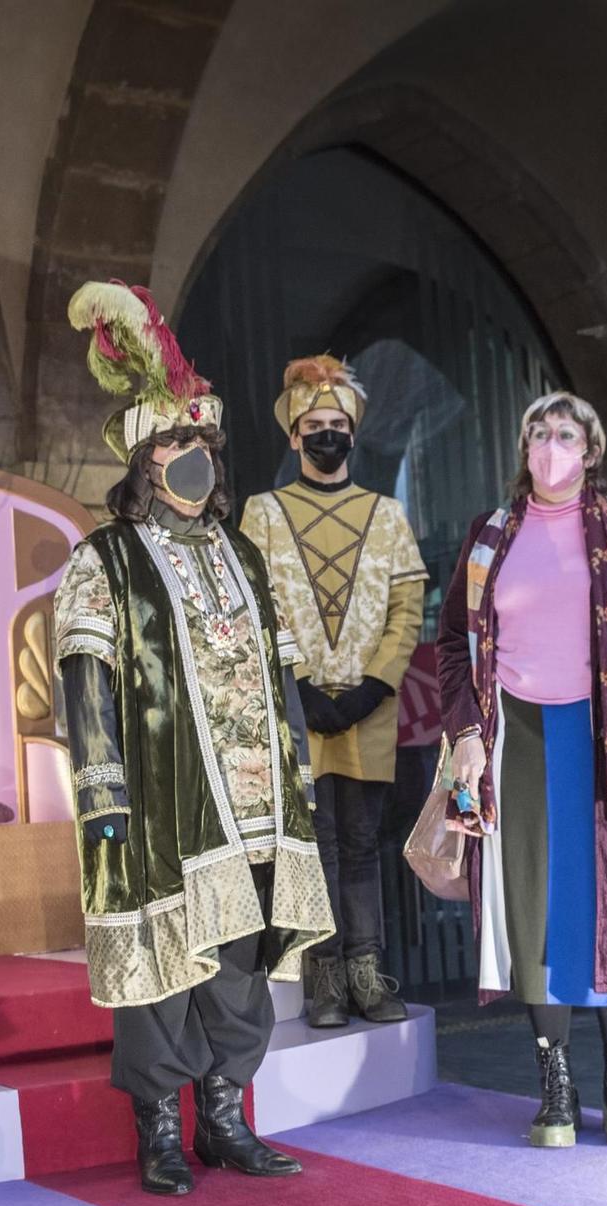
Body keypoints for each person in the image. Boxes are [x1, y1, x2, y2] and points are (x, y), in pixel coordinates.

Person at [54, 280, 335, 1196]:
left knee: (243, 963)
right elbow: (85, 678)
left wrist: (297, 765)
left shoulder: (244, 553)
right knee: (163, 965)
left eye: (203, 444)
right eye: (176, 444)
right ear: (142, 460)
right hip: (160, 800)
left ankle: (223, 1119)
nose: (194, 459)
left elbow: (279, 669)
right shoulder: (105, 560)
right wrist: (101, 792)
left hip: (256, 803)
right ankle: (161, 1133)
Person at [436, 391, 607, 1150]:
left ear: (590, 449)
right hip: (516, 735)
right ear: (524, 449)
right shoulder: (488, 536)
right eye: (539, 435)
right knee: (535, 907)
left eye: (566, 434)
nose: (551, 447)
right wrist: (465, 733)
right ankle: (554, 1077)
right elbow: (454, 641)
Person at [239, 356, 425, 1028]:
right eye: (314, 425)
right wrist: (298, 688)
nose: (326, 434)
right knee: (313, 838)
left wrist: (377, 682)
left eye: (337, 424)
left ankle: (367, 971)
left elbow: (407, 602)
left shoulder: (387, 513)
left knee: (362, 838)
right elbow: (253, 605)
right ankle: (322, 977)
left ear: (354, 433)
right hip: (298, 712)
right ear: (294, 436)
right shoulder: (260, 514)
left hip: (369, 709)